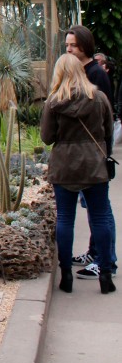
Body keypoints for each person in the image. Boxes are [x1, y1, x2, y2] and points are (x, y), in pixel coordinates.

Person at [41, 53, 115, 294]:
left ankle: (66, 276)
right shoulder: (99, 98)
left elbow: (47, 137)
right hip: (94, 166)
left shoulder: (54, 102)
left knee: (65, 219)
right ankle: (105, 274)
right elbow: (108, 133)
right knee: (101, 217)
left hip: (64, 166)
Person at [65, 26, 117, 278]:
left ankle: (107, 260)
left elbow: (106, 117)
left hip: (94, 154)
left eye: (72, 45)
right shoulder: (82, 73)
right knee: (94, 209)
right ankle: (94, 252)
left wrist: (103, 149)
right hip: (83, 156)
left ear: (84, 45)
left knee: (101, 210)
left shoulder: (96, 74)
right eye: (67, 45)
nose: (68, 49)